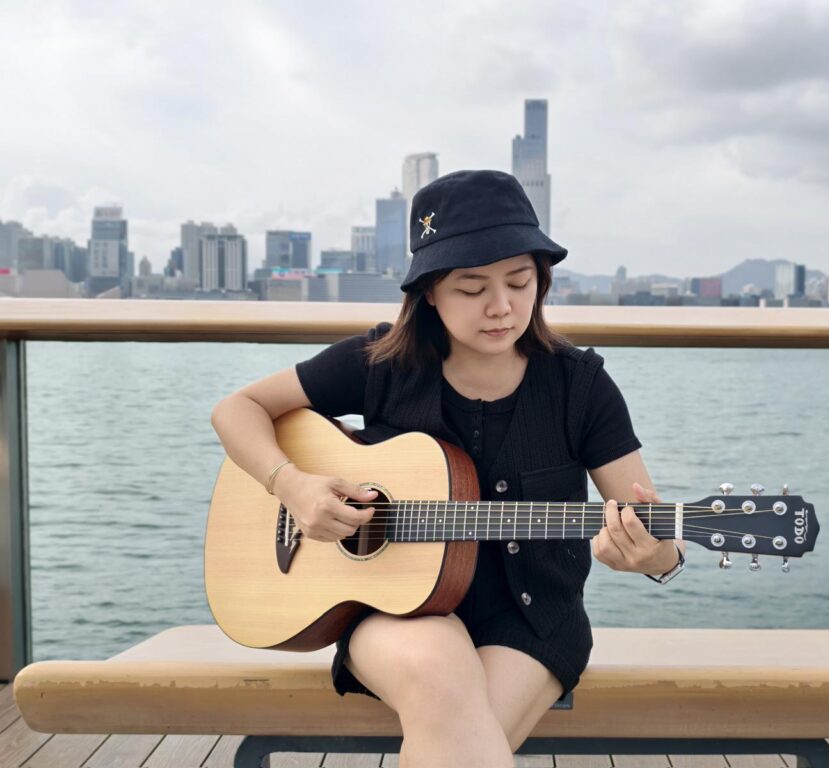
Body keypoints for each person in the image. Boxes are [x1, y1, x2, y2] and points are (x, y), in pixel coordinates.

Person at [210, 169, 686, 768]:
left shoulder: (579, 386)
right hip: (391, 609)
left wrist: (654, 557)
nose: (501, 306)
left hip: (531, 619)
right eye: (471, 287)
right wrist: (295, 485)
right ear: (429, 292)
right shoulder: (380, 362)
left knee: (457, 735)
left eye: (520, 281)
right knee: (441, 676)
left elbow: (653, 531)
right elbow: (237, 409)